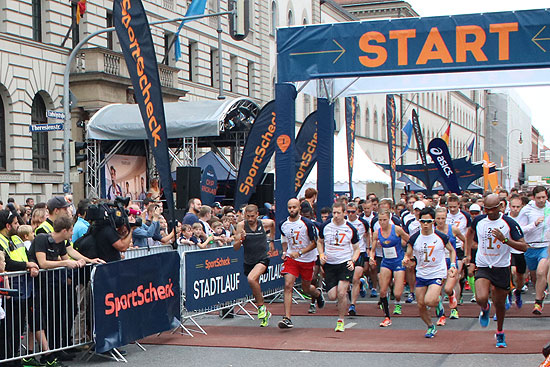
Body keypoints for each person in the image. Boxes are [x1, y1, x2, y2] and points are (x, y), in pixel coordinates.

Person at [471, 194, 527, 348]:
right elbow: (470, 233)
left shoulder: (508, 223)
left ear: (501, 206)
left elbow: (524, 246)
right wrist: (469, 257)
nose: (489, 212)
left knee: (500, 304)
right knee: (481, 297)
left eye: (492, 209)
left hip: (501, 267)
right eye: (486, 209)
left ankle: (500, 332)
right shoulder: (479, 221)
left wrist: (505, 240)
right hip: (483, 265)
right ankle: (484, 307)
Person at [403, 207, 457, 338]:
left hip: (437, 272)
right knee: (420, 304)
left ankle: (440, 299)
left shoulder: (441, 236)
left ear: (433, 222)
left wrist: (453, 264)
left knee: (429, 301)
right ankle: (430, 326)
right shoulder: (414, 238)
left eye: (428, 221)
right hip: (422, 273)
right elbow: (408, 254)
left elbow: (452, 250)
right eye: (422, 221)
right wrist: (406, 260)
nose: (425, 224)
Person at [278, 198, 324, 328]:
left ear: (299, 208)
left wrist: (301, 252)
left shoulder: (307, 224)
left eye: (294, 207)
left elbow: (315, 244)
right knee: (288, 284)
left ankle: (317, 294)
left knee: (306, 288)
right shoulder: (283, 224)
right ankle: (287, 318)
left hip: (307, 259)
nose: (292, 210)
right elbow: (284, 239)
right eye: (290, 207)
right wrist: (284, 251)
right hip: (292, 259)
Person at [318, 202, 360, 332]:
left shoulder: (350, 228)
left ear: (344, 213)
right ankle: (347, 287)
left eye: (338, 213)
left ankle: (340, 320)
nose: (335, 216)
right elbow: (319, 241)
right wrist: (321, 254)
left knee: (341, 293)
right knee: (332, 296)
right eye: (334, 213)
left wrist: (353, 260)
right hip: (330, 264)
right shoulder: (325, 226)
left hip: (344, 263)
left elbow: (357, 248)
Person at [233, 204, 275, 327]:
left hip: (262, 258)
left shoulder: (264, 223)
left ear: (257, 215)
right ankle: (265, 313)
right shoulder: (241, 226)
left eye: (252, 216)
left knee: (251, 278)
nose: (250, 219)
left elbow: (272, 223)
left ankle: (261, 307)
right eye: (248, 216)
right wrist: (241, 238)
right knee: (253, 282)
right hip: (248, 260)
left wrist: (271, 240)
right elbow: (235, 248)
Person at [370, 208, 409, 327]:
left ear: (389, 219)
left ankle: (397, 303)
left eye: (384, 220)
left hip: (398, 261)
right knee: (382, 291)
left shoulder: (396, 229)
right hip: (386, 262)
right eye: (380, 220)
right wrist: (371, 257)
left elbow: (410, 241)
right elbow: (372, 249)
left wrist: (407, 255)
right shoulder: (377, 232)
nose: (382, 222)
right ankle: (387, 317)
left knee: (397, 293)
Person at [516, 186, 550, 315]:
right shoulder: (527, 210)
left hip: (546, 246)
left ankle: (538, 303)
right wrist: (534, 224)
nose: (541, 200)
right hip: (531, 247)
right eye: (538, 198)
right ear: (533, 197)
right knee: (535, 277)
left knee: (542, 272)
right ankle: (541, 291)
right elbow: (520, 229)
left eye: (543, 197)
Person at [434, 207, 465, 324]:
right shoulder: (432, 230)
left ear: (446, 218)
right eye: (438, 218)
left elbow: (465, 239)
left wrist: (466, 254)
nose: (440, 221)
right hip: (438, 262)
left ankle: (454, 307)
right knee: (437, 287)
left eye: (443, 218)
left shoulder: (453, 229)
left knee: (449, 287)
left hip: (451, 260)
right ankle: (441, 311)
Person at [346, 202, 370, 316]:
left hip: (359, 252)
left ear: (357, 212)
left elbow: (367, 234)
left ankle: (352, 305)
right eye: (348, 212)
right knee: (347, 280)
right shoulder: (343, 222)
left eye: (353, 212)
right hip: (346, 253)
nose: (350, 214)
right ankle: (360, 284)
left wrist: (369, 249)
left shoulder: (363, 223)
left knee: (355, 278)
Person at [508, 195, 526, 308]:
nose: (515, 209)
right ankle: (509, 293)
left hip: (520, 251)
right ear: (509, 206)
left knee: (520, 277)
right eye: (513, 206)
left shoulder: (525, 217)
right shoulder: (505, 218)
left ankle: (518, 292)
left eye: (518, 207)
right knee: (511, 271)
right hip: (508, 250)